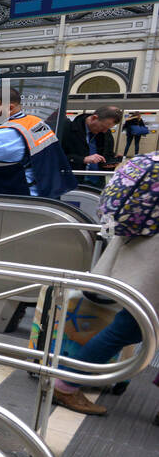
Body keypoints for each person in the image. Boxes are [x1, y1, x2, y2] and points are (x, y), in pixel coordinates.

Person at [52, 154, 159, 416]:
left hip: (139, 248)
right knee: (128, 328)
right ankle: (65, 385)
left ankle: (66, 383)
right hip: (151, 257)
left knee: (131, 327)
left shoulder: (150, 160)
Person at [59, 106, 122, 176]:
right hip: (73, 179)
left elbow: (105, 157)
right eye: (103, 127)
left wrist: (110, 164)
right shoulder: (66, 130)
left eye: (108, 128)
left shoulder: (106, 134)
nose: (104, 131)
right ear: (94, 118)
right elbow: (56, 157)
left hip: (97, 182)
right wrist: (83, 159)